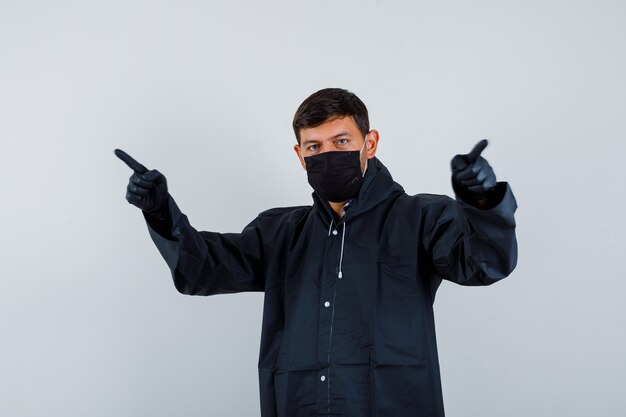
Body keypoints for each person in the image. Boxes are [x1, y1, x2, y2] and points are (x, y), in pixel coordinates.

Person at [115, 87, 518, 417]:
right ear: (299, 155)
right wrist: (159, 211)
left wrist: (480, 201)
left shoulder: (419, 218)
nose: (327, 155)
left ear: (369, 143)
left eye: (341, 141)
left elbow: (483, 263)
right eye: (313, 147)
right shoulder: (280, 233)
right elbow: (202, 269)